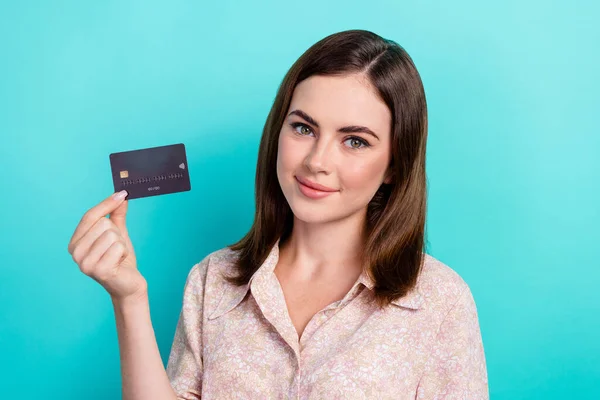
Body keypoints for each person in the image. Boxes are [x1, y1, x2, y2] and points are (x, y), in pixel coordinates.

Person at [68, 29, 488, 399]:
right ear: (278, 130)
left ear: (395, 164)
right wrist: (129, 299)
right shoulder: (212, 281)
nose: (317, 161)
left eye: (355, 141)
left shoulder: (439, 303)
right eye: (303, 128)